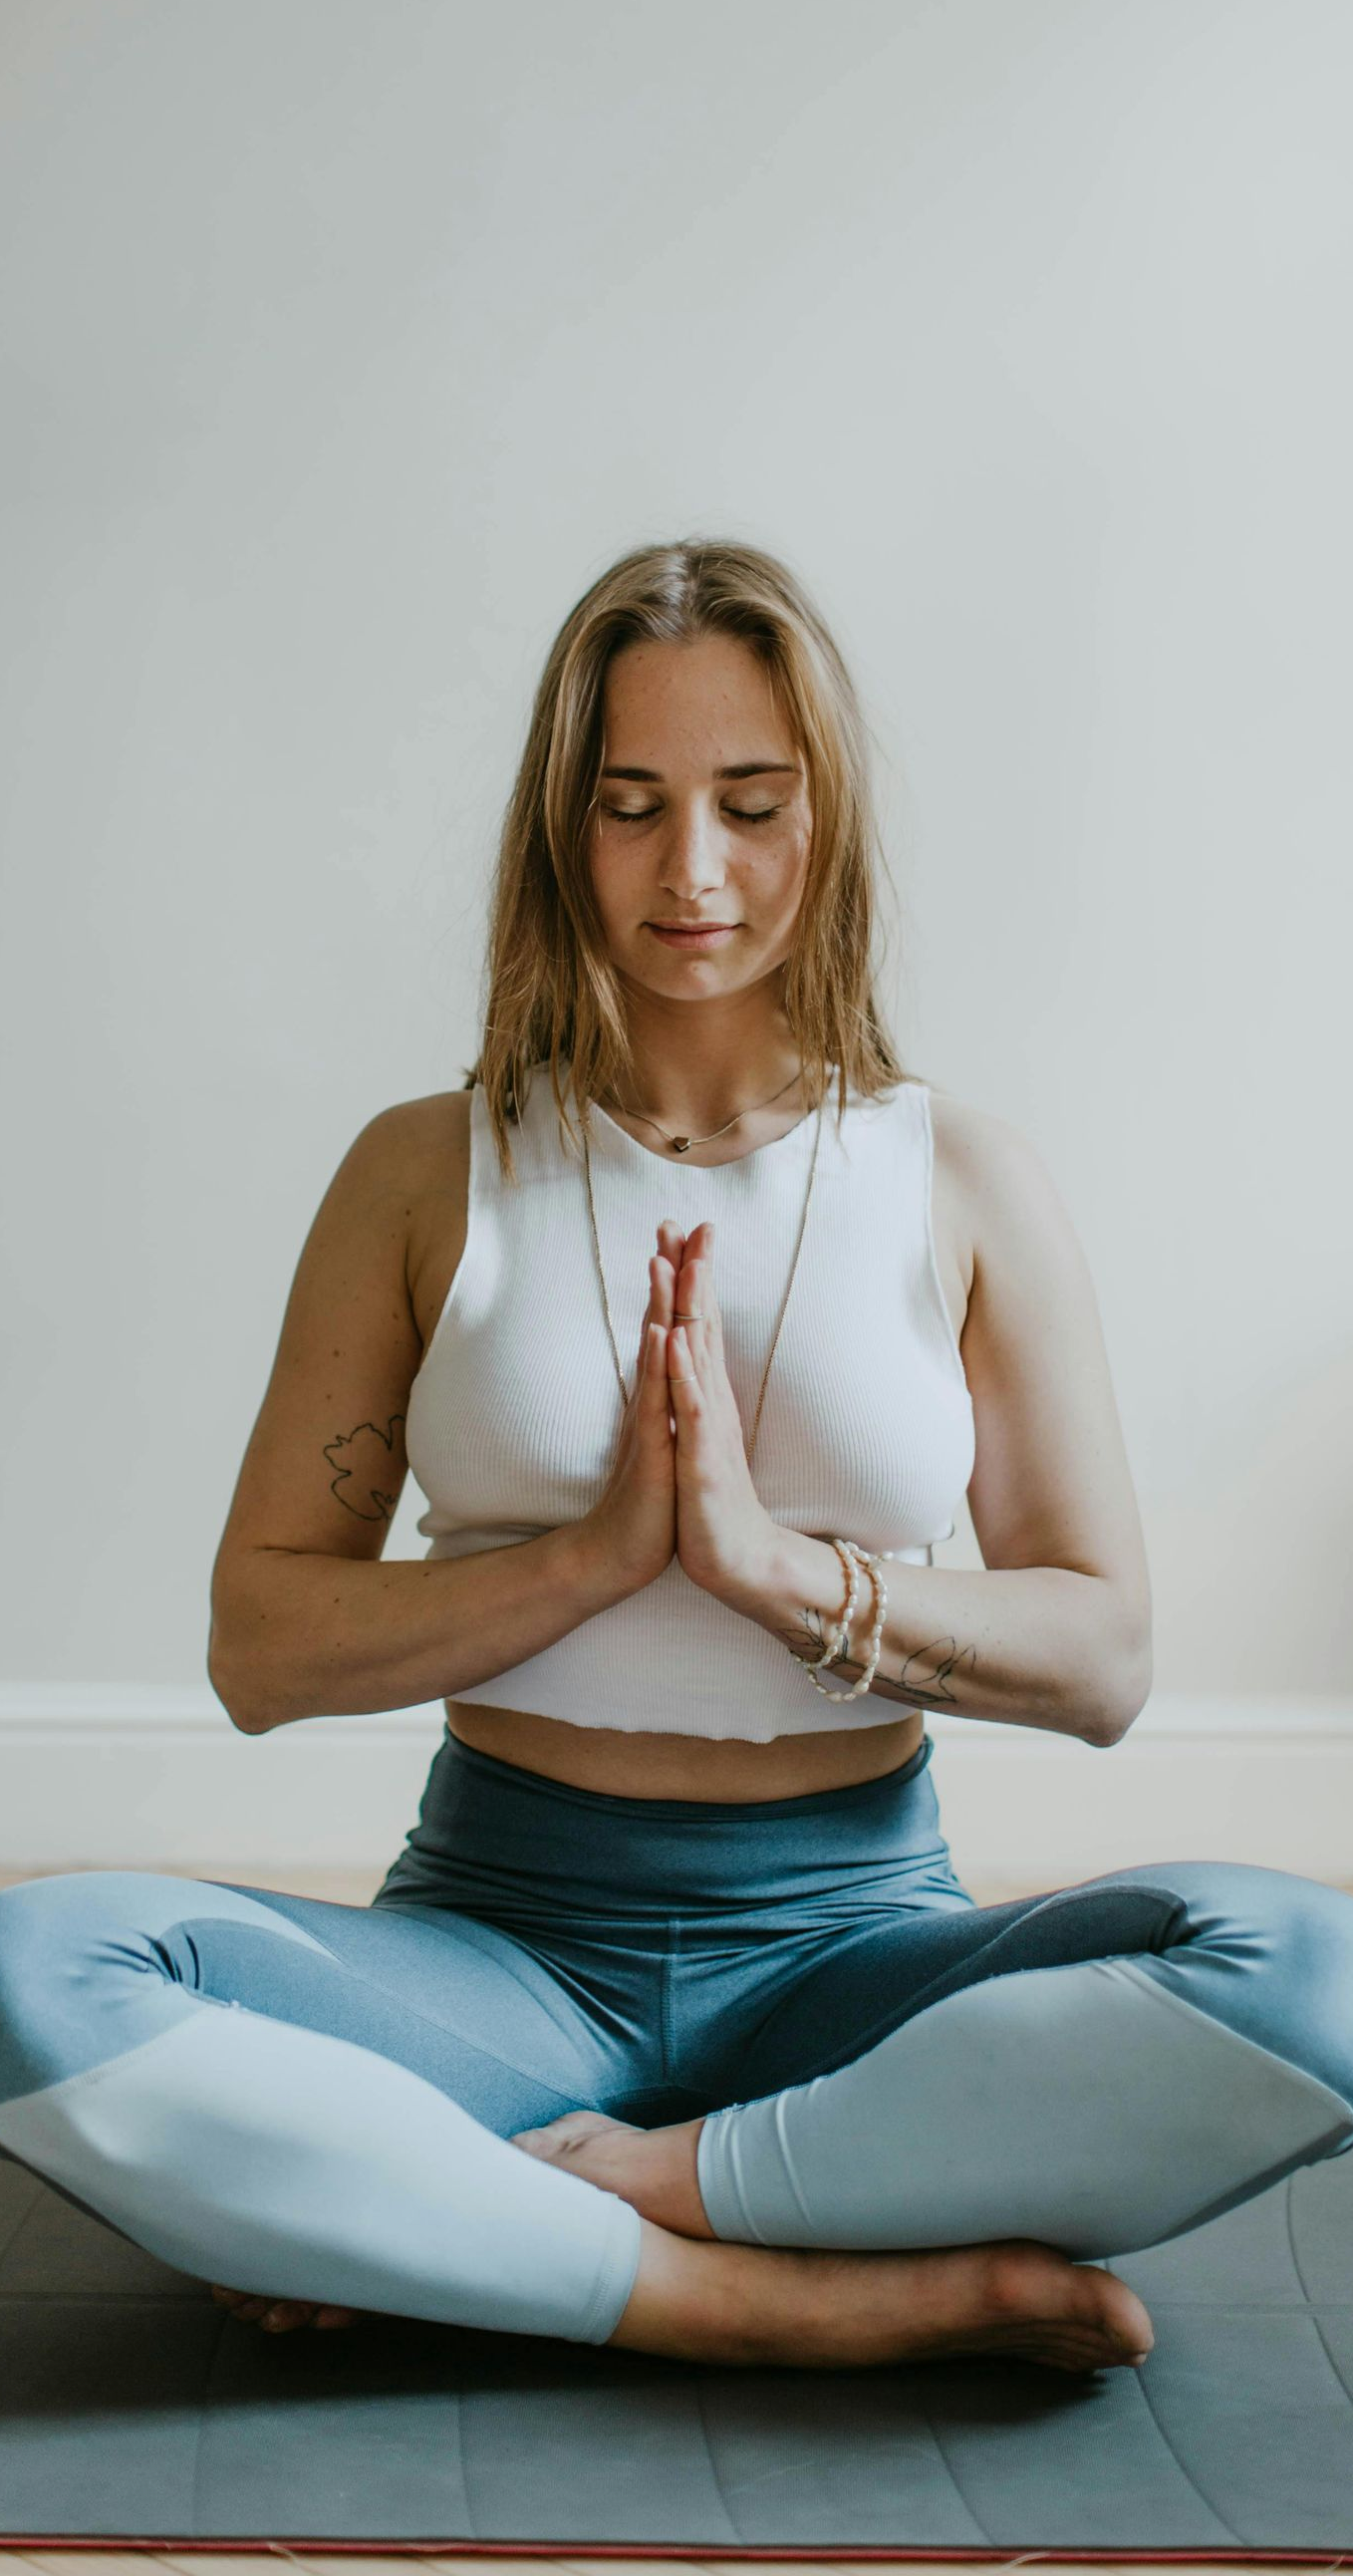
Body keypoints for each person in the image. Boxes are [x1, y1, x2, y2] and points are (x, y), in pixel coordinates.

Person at [2, 536, 1351, 2380]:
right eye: (630, 808)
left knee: (1312, 1975)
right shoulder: (423, 1169)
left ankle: (540, 2207)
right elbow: (260, 1649)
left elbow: (1104, 1662)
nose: (692, 872)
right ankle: (773, 2287)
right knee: (32, 1977)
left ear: (831, 821)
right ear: (563, 828)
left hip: (856, 1964)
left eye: (750, 804)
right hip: (496, 1951)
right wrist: (586, 1559)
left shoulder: (958, 1178)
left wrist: (768, 1570)